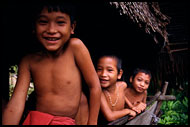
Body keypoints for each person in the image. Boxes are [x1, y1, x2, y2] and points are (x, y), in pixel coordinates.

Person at [2, 1, 101, 125]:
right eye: (43, 22)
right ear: (34, 27)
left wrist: (92, 122)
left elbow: (94, 86)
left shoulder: (75, 48)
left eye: (60, 22)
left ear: (72, 27)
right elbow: (17, 103)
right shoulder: (29, 60)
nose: (51, 30)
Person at [96, 54, 136, 124]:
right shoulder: (99, 93)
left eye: (109, 70)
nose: (103, 74)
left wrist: (131, 106)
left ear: (119, 74)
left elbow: (123, 95)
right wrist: (128, 111)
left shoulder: (122, 85)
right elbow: (109, 116)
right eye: (99, 69)